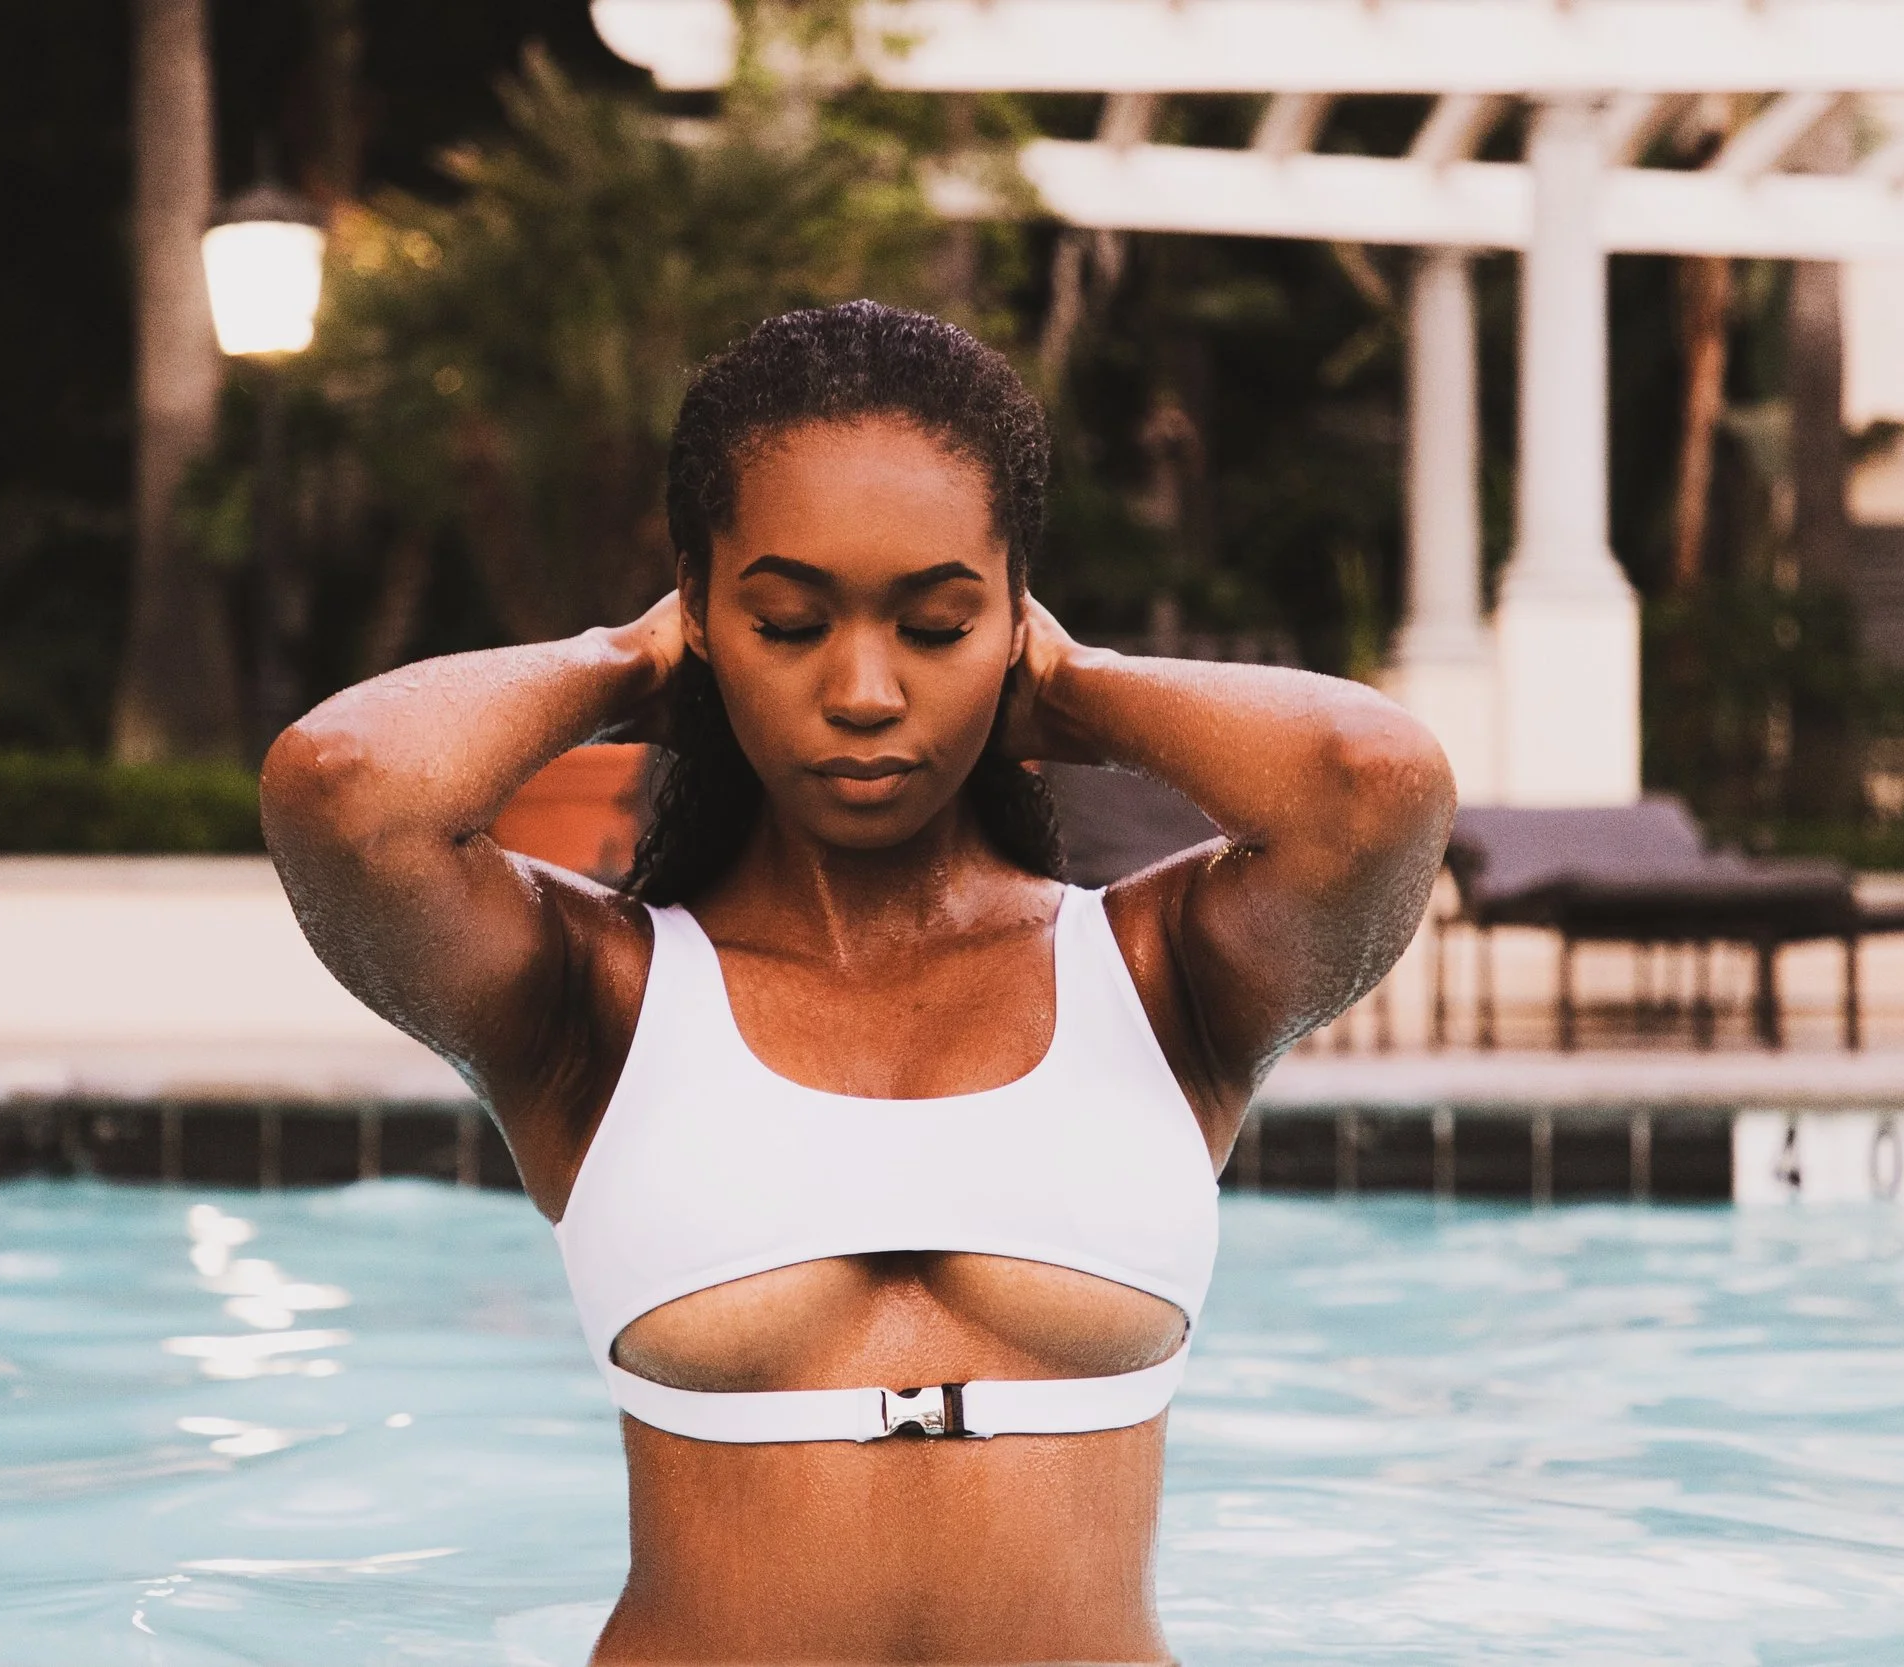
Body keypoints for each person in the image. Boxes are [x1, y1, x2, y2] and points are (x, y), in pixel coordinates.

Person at [260, 301, 1453, 1663]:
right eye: (785, 618)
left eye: (939, 624)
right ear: (702, 603)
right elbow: (341, 787)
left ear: (1015, 609)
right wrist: (632, 659)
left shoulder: (1159, 977)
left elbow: (1378, 785)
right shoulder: (598, 1006)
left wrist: (1079, 679)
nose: (866, 690)